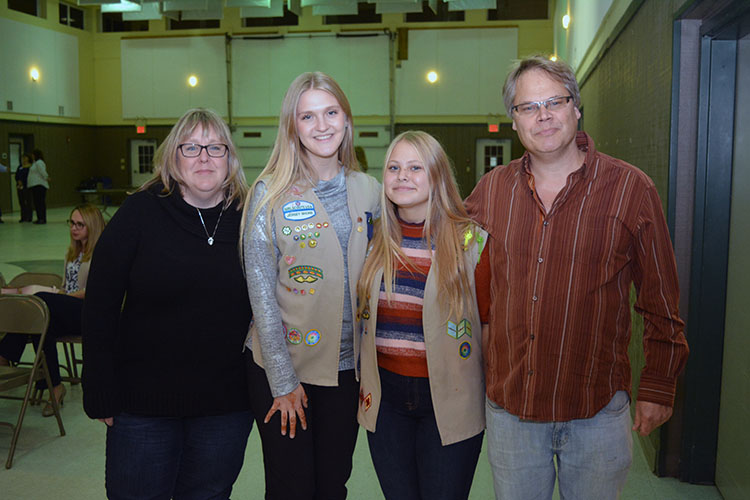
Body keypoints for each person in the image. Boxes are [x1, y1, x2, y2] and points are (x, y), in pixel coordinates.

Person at [464, 55, 690, 500]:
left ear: (576, 107)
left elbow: (660, 300)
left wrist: (659, 387)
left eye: (555, 101)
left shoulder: (631, 189)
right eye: (528, 107)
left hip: (596, 409)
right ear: (514, 120)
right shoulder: (491, 191)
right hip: (513, 412)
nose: (543, 116)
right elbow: (443, 251)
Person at [82, 108, 253, 499]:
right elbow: (100, 307)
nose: (204, 158)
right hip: (142, 406)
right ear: (172, 158)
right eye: (190, 147)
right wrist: (99, 389)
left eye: (215, 147)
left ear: (230, 157)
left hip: (224, 407)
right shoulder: (140, 212)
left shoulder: (250, 216)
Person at [242, 71, 380, 500]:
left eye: (331, 112)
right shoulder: (271, 194)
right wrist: (282, 381)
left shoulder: (371, 191)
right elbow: (261, 293)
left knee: (332, 484)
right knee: (291, 488)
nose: (322, 126)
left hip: (345, 372)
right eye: (308, 117)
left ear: (346, 119)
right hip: (283, 368)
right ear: (292, 127)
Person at [356, 131, 490, 500]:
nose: (402, 176)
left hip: (450, 396)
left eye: (416, 167)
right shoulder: (371, 240)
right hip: (386, 400)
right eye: (394, 167)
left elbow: (490, 328)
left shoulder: (471, 242)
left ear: (438, 176)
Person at [0, 204, 105, 415]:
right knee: (41, 322)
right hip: (66, 308)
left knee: (40, 300)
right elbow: (68, 285)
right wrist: (61, 294)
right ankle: (55, 386)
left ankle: (4, 355)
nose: (74, 228)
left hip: (88, 312)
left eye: (80, 225)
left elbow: (93, 291)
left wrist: (60, 295)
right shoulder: (72, 252)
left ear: (91, 226)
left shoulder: (102, 252)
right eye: (72, 223)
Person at [28, 149, 49, 224]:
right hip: (35, 185)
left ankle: (42, 218)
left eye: (33, 155)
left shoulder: (39, 162)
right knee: (37, 203)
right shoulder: (35, 163)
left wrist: (46, 177)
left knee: (40, 202)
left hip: (39, 185)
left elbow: (42, 171)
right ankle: (39, 217)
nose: (32, 156)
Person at [16, 153, 34, 223]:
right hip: (19, 186)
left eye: (25, 157)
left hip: (28, 186)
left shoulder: (31, 167)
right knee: (21, 202)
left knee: (28, 202)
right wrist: (18, 181)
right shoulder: (20, 166)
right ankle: (23, 217)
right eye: (22, 158)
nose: (23, 159)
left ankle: (29, 217)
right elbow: (17, 175)